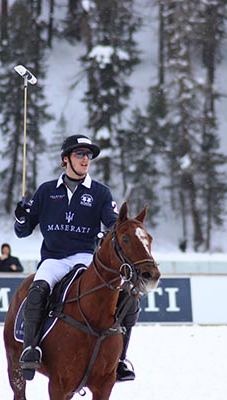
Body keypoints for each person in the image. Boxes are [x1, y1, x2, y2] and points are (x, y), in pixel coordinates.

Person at [14, 134, 138, 382]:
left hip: (85, 259)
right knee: (38, 290)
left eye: (88, 155)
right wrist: (20, 217)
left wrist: (109, 233)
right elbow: (23, 231)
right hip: (53, 260)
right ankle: (31, 349)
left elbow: (114, 223)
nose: (85, 159)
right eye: (79, 154)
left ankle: (120, 359)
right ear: (65, 159)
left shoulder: (100, 193)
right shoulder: (46, 191)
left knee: (128, 296)